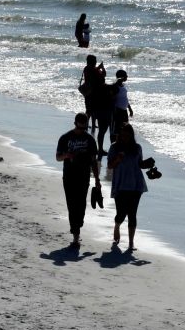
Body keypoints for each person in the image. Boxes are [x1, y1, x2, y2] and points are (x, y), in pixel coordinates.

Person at [107, 123, 155, 252]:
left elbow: (139, 164)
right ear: (120, 135)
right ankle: (117, 226)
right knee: (121, 214)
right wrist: (118, 158)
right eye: (123, 135)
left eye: (128, 135)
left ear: (131, 135)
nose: (125, 137)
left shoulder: (137, 148)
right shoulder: (114, 147)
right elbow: (110, 166)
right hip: (121, 184)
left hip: (136, 184)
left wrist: (148, 164)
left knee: (132, 214)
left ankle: (131, 243)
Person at [55, 112, 101, 247]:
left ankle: (78, 225)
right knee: (71, 204)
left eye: (84, 128)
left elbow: (94, 161)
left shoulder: (90, 140)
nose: (81, 130)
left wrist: (97, 179)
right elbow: (57, 157)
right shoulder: (65, 137)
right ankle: (76, 235)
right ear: (75, 124)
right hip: (69, 176)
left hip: (84, 176)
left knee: (81, 204)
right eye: (79, 127)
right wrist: (67, 155)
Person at [112, 68, 134, 135]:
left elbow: (125, 98)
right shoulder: (115, 86)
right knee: (118, 129)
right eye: (125, 75)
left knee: (125, 128)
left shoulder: (123, 86)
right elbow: (112, 99)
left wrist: (130, 108)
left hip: (124, 110)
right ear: (122, 77)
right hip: (118, 111)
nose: (127, 76)